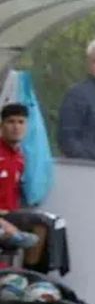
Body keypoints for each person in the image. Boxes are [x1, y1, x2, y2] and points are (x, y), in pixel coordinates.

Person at [0, 104, 40, 251]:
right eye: (11, 122)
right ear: (2, 125)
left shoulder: (21, 157)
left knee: (48, 224)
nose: (16, 127)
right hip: (2, 219)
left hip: (10, 215)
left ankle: (30, 273)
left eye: (21, 122)